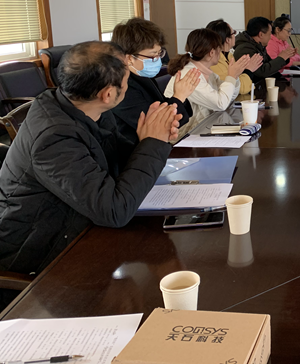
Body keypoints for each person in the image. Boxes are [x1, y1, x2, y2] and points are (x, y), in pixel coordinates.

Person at [0, 41, 181, 276]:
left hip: (79, 229)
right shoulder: (54, 138)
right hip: (37, 259)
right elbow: (115, 211)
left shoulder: (85, 109)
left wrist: (152, 139)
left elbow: (117, 162)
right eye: (127, 80)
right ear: (108, 94)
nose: (128, 85)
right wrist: (152, 144)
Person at [110, 18, 200, 144]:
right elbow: (155, 126)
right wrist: (179, 96)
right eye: (153, 55)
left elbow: (161, 105)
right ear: (129, 58)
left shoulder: (142, 76)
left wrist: (181, 95)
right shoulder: (121, 86)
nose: (158, 59)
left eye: (160, 53)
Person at [165, 29, 257, 135]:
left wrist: (234, 76)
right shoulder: (190, 75)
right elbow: (220, 104)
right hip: (184, 136)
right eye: (220, 50)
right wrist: (231, 76)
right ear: (211, 52)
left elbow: (228, 98)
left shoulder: (208, 73)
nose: (221, 54)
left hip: (202, 128)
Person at [206, 18, 262, 95]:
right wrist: (249, 70)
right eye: (234, 32)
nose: (235, 35)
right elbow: (237, 88)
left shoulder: (229, 55)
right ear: (227, 40)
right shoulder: (214, 62)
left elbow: (237, 78)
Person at [234, 16, 296, 82]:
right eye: (269, 34)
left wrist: (285, 57)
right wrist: (281, 58)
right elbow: (262, 71)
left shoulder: (258, 45)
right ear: (261, 35)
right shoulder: (244, 49)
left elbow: (269, 64)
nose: (270, 37)